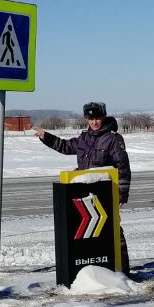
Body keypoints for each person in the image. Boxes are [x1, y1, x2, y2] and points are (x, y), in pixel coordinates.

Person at [33, 101, 132, 274]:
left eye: (98, 118)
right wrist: (45, 136)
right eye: (91, 118)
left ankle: (123, 269)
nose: (95, 122)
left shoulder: (113, 139)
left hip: (106, 194)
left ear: (103, 117)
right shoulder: (83, 139)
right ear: (86, 119)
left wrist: (121, 195)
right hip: (85, 194)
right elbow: (64, 146)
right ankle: (96, 269)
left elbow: (123, 168)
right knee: (91, 232)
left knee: (114, 230)